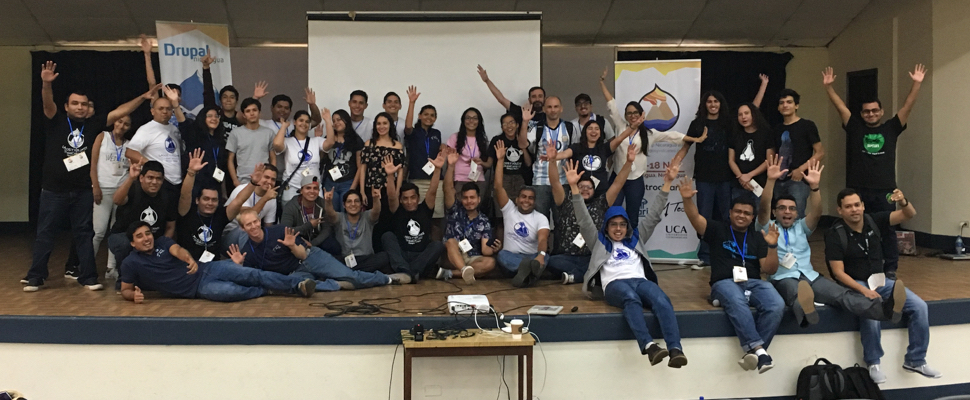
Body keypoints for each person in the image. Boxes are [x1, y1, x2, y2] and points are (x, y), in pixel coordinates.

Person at [26, 60, 154, 292]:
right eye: (75, 103)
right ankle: (36, 276)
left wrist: (143, 97)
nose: (80, 107)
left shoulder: (94, 123)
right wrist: (46, 84)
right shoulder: (56, 119)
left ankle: (88, 277)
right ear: (66, 106)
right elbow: (47, 104)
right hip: (54, 190)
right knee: (45, 233)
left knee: (85, 234)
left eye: (84, 104)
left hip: (82, 190)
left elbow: (121, 111)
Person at [759, 155, 905, 329]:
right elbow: (763, 208)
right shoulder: (768, 227)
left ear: (797, 213)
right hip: (783, 277)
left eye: (792, 208)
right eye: (782, 208)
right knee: (795, 293)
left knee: (842, 294)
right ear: (775, 213)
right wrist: (770, 181)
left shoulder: (801, 227)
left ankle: (885, 311)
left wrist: (814, 187)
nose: (787, 212)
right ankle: (806, 313)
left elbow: (817, 213)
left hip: (811, 276)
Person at [573, 160, 687, 367]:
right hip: (615, 285)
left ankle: (675, 348)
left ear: (627, 227)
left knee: (661, 300)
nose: (618, 229)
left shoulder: (637, 238)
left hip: (640, 280)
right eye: (613, 225)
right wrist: (574, 188)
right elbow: (583, 219)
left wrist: (667, 183)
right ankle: (648, 346)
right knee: (630, 298)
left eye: (622, 225)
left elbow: (653, 216)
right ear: (606, 228)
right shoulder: (598, 241)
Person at [825, 187, 940, 383]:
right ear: (840, 210)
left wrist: (903, 201)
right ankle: (873, 362)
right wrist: (863, 290)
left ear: (862, 206)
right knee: (871, 310)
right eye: (848, 206)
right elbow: (838, 272)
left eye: (856, 205)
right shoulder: (835, 233)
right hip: (855, 283)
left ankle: (915, 359)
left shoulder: (874, 220)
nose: (854, 210)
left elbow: (908, 214)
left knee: (920, 306)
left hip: (881, 280)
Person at [823, 65, 927, 280]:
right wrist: (829, 88)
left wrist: (917, 83)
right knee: (857, 228)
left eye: (874, 110)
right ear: (861, 114)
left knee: (887, 230)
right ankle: (861, 267)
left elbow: (908, 106)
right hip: (858, 190)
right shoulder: (855, 128)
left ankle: (890, 268)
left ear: (881, 112)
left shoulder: (891, 128)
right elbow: (840, 108)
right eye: (866, 111)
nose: (870, 114)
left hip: (885, 189)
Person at [680, 177, 783, 373]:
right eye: (737, 211)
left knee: (776, 305)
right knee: (737, 300)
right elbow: (696, 219)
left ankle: (754, 353)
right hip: (724, 282)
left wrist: (772, 246)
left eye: (746, 213)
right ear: (730, 213)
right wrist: (687, 200)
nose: (741, 216)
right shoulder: (718, 229)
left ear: (752, 217)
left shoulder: (757, 237)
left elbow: (769, 270)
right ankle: (761, 351)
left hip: (753, 282)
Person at [120, 221, 316, 303]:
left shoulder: (162, 241)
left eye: (147, 233)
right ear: (132, 242)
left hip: (208, 268)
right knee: (232, 292)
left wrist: (188, 258)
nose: (146, 238)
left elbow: (177, 250)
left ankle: (297, 285)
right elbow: (125, 289)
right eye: (140, 236)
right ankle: (268, 290)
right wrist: (132, 296)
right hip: (197, 290)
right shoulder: (131, 262)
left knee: (251, 274)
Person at [598, 67, 699, 220]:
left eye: (635, 113)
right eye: (629, 113)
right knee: (612, 213)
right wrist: (601, 82)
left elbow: (671, 136)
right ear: (625, 115)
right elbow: (611, 103)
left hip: (636, 181)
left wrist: (693, 139)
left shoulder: (649, 134)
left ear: (641, 114)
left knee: (633, 217)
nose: (632, 116)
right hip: (617, 176)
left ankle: (634, 243)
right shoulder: (620, 125)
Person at [546, 141, 637, 285]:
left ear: (594, 191)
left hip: (592, 255)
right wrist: (552, 161)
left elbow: (618, 184)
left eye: (589, 187)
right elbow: (555, 183)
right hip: (566, 256)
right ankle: (589, 276)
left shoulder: (601, 203)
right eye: (581, 186)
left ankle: (575, 276)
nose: (585, 189)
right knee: (551, 261)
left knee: (605, 261)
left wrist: (629, 162)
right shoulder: (565, 200)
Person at [237, 209, 394, 290]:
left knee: (351, 276)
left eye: (255, 222)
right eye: (248, 225)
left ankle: (386, 279)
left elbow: (303, 254)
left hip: (309, 257)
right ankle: (335, 285)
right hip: (295, 273)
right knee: (295, 287)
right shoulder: (248, 251)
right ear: (243, 229)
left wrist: (292, 245)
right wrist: (238, 265)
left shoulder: (280, 231)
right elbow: (250, 278)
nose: (253, 227)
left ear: (260, 221)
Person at [680, 90, 735, 267]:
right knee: (704, 216)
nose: (712, 105)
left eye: (716, 101)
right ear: (704, 104)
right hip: (704, 177)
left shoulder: (728, 123)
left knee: (728, 216)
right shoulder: (697, 124)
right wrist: (675, 162)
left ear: (721, 104)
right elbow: (685, 146)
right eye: (709, 101)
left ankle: (729, 253)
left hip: (725, 177)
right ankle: (705, 255)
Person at [106, 160, 178, 286]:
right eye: (150, 178)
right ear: (141, 178)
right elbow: (117, 200)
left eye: (158, 179)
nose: (154, 182)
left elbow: (170, 226)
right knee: (125, 244)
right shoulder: (133, 189)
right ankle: (124, 281)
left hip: (153, 238)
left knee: (170, 248)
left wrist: (162, 245)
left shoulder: (167, 196)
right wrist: (130, 178)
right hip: (122, 236)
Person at [322, 186, 412, 283]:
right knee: (329, 259)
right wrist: (328, 201)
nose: (353, 204)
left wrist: (376, 199)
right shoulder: (340, 217)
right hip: (346, 259)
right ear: (344, 205)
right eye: (349, 201)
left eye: (356, 201)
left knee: (384, 257)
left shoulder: (367, 217)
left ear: (361, 205)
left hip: (366, 259)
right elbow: (331, 213)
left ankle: (350, 276)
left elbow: (376, 211)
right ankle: (364, 275)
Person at [177, 149, 253, 262]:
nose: (210, 203)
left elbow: (239, 200)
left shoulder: (220, 215)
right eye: (206, 199)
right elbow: (185, 195)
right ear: (197, 200)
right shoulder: (187, 212)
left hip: (215, 265)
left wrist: (253, 183)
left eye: (214, 200)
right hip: (189, 265)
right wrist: (191, 172)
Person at [493, 139, 550, 288]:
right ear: (516, 199)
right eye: (523, 197)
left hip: (532, 257)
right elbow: (498, 187)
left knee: (546, 256)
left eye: (531, 198)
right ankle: (529, 273)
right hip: (511, 259)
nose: (527, 201)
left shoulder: (540, 218)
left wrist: (541, 256)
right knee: (502, 255)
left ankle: (526, 272)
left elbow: (543, 240)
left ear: (535, 202)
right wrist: (500, 160)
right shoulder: (509, 209)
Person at [383, 152, 448, 282]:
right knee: (387, 236)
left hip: (421, 256)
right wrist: (390, 175)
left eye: (413, 198)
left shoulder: (425, 208)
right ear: (401, 200)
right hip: (402, 255)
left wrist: (438, 169)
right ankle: (407, 271)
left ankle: (408, 273)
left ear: (418, 198)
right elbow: (391, 196)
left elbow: (433, 190)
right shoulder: (398, 210)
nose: (409, 201)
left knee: (437, 245)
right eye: (405, 199)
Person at [440, 149, 501, 284]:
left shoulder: (484, 221)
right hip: (452, 254)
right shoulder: (455, 209)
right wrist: (451, 166)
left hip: (473, 257)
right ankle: (463, 270)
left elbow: (485, 250)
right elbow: (448, 189)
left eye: (472, 198)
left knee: (490, 262)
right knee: (450, 241)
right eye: (466, 198)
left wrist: (494, 249)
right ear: (461, 199)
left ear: (479, 199)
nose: (469, 201)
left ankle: (452, 274)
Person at [84, 115, 132, 280]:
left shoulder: (128, 145)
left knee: (115, 231)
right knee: (98, 231)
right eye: (119, 121)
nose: (122, 125)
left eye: (126, 124)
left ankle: (111, 268)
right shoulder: (102, 136)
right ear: (114, 122)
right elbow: (93, 164)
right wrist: (95, 186)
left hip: (121, 192)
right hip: (103, 189)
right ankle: (86, 267)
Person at [767, 89, 824, 219]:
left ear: (796, 105)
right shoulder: (776, 129)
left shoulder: (807, 125)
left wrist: (801, 169)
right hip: (778, 179)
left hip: (798, 180)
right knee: (779, 216)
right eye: (781, 103)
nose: (785, 105)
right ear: (778, 107)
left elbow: (820, 152)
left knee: (796, 216)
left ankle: (797, 240)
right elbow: (771, 153)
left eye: (789, 102)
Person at [163, 86, 229, 199]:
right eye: (209, 116)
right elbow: (183, 122)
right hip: (196, 185)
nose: (214, 118)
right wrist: (175, 105)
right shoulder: (195, 135)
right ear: (203, 118)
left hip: (215, 186)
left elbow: (221, 168)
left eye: (216, 116)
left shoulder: (220, 141)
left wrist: (224, 194)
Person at [553, 117, 637, 198]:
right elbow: (564, 154)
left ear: (600, 133)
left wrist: (632, 127)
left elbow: (619, 138)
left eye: (597, 129)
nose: (593, 131)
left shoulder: (604, 148)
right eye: (590, 128)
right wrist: (552, 157)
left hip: (601, 192)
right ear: (585, 132)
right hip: (580, 191)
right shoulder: (576, 147)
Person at [125, 95, 183, 201]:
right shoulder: (146, 129)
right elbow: (130, 152)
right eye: (161, 108)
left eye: (168, 109)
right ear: (152, 111)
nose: (165, 111)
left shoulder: (174, 129)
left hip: (177, 182)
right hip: (159, 182)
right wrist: (152, 166)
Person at [402, 87, 445, 225]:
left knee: (436, 218)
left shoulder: (437, 133)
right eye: (425, 114)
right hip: (417, 180)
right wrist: (412, 103)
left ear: (435, 118)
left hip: (436, 181)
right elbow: (408, 126)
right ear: (419, 116)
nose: (429, 117)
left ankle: (436, 246)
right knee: (419, 217)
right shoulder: (413, 132)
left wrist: (443, 147)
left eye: (432, 115)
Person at [279, 175, 342, 260]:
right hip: (299, 239)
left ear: (318, 191)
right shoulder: (291, 206)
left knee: (334, 246)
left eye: (315, 188)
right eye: (308, 188)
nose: (312, 191)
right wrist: (309, 225)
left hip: (317, 239)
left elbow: (327, 228)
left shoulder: (322, 203)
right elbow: (285, 230)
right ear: (301, 191)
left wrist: (313, 243)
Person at [272, 109, 328, 202]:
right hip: (292, 188)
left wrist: (328, 121)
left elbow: (330, 143)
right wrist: (284, 126)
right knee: (291, 215)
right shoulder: (287, 141)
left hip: (313, 187)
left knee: (316, 214)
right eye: (301, 120)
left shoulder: (316, 140)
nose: (304, 123)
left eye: (307, 121)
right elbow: (277, 145)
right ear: (294, 122)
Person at [221, 164, 279, 252]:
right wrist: (265, 199)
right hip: (228, 236)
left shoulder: (271, 198)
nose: (269, 181)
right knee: (247, 228)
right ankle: (246, 262)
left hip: (251, 234)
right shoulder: (242, 190)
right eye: (266, 177)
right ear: (259, 176)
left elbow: (268, 227)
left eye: (273, 179)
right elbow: (246, 218)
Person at [359, 112, 405, 209]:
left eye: (385, 123)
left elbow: (400, 171)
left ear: (390, 125)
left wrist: (397, 192)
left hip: (389, 189)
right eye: (378, 123)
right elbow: (363, 169)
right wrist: (362, 191)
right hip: (371, 188)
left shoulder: (397, 146)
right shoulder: (369, 144)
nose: (381, 126)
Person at [477, 64, 545, 130]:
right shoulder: (520, 112)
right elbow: (501, 99)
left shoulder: (550, 115)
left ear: (544, 98)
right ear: (529, 99)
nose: (537, 99)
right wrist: (487, 81)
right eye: (534, 96)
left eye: (540, 96)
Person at [227, 98, 276, 187]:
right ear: (244, 115)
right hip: (242, 181)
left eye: (254, 110)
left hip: (263, 181)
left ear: (259, 112)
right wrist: (235, 181)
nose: (252, 113)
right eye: (248, 111)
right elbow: (230, 159)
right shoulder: (235, 133)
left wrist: (272, 178)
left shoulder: (269, 133)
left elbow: (273, 158)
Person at [446, 107, 490, 206]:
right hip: (459, 179)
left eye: (475, 118)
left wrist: (481, 162)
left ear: (479, 121)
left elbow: (487, 163)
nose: (471, 121)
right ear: (463, 120)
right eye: (468, 118)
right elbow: (450, 161)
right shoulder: (455, 137)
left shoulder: (483, 139)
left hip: (479, 180)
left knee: (476, 210)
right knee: (460, 210)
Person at [322, 109, 365, 212]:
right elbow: (321, 158)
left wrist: (353, 187)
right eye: (334, 120)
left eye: (339, 119)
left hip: (348, 182)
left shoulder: (356, 140)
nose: (336, 123)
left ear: (346, 120)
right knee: (331, 213)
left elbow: (360, 167)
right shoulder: (328, 139)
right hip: (330, 182)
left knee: (347, 213)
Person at [728, 101, 771, 200]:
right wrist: (741, 177)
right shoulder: (735, 134)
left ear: (754, 114)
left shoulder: (766, 134)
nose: (743, 117)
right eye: (740, 114)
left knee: (759, 214)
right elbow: (731, 160)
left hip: (759, 184)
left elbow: (769, 160)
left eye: (746, 113)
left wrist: (749, 175)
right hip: (738, 184)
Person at [254, 85, 323, 135]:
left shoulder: (294, 124)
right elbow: (244, 119)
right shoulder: (263, 124)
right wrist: (255, 98)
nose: (283, 110)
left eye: (286, 108)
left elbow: (316, 120)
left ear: (290, 111)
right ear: (272, 108)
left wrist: (312, 105)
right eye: (279, 107)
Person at [201, 53, 242, 137]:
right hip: (218, 149)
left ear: (237, 101)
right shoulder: (215, 115)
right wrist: (206, 68)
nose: (228, 100)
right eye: (225, 97)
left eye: (232, 97)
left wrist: (256, 98)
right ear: (220, 100)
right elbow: (208, 93)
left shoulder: (240, 119)